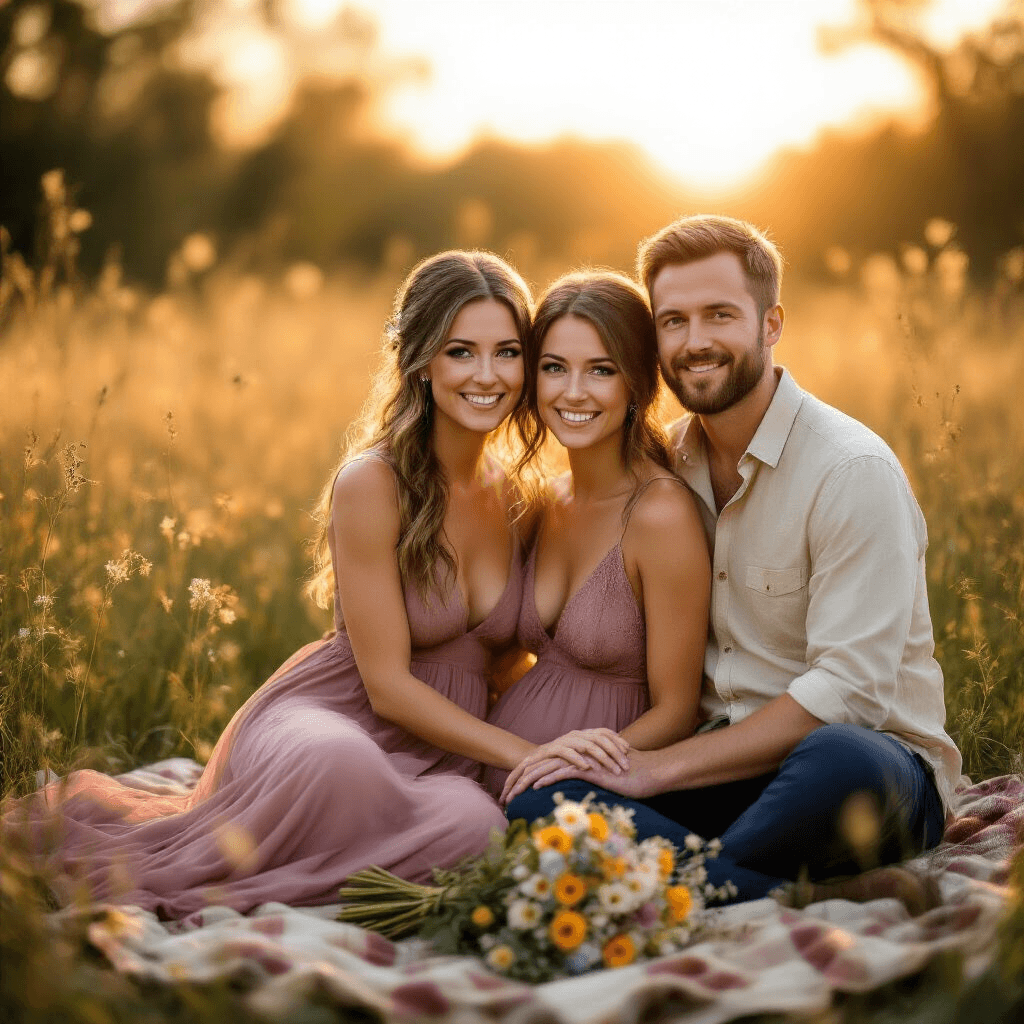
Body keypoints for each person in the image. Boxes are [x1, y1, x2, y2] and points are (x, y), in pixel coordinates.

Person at [4, 250, 628, 919]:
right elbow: (386, 687)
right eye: (460, 352)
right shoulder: (373, 482)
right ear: (420, 361)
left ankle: (337, 871)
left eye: (507, 353)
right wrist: (528, 752)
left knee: (476, 828)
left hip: (444, 748)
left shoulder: (519, 497)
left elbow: (512, 657)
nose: (486, 375)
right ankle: (221, 880)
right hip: (336, 716)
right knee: (339, 762)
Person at [505, 216, 961, 905]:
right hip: (717, 765)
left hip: (865, 767)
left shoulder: (850, 470)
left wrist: (654, 771)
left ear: (771, 323)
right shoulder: (665, 463)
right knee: (546, 801)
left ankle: (682, 883)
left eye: (719, 315)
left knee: (840, 759)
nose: (695, 342)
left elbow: (850, 692)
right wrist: (630, 761)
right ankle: (753, 887)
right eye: (674, 321)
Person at [484, 271, 710, 797]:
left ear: (637, 383)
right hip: (500, 771)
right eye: (554, 367)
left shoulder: (659, 515)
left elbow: (677, 712)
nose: (573, 392)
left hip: (576, 794)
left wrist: (566, 769)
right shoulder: (547, 501)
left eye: (601, 370)